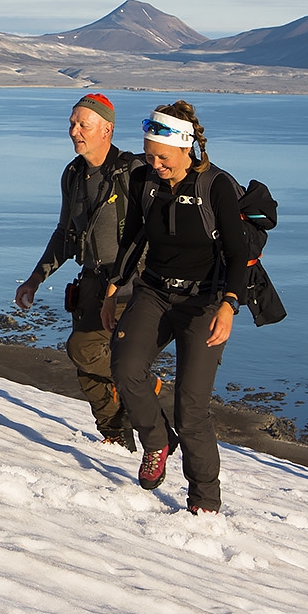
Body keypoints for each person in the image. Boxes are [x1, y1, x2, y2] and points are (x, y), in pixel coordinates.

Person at [105, 102, 249, 513]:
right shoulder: (145, 181)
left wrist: (229, 306)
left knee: (191, 407)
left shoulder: (216, 186)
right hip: (154, 292)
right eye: (149, 156)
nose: (155, 164)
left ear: (186, 148)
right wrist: (115, 285)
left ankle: (204, 501)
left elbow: (238, 254)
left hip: (205, 301)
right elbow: (134, 236)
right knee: (126, 368)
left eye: (162, 158)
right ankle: (157, 441)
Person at [15, 93, 141, 443]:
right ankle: (115, 435)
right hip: (90, 283)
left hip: (131, 285)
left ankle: (142, 384)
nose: (74, 131)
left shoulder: (134, 172)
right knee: (87, 370)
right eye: (72, 123)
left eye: (83, 124)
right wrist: (35, 279)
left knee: (83, 349)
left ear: (107, 130)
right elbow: (65, 235)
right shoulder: (72, 175)